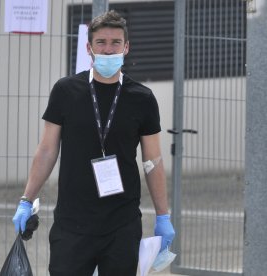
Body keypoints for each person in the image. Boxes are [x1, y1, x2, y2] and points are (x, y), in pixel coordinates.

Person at [12, 10, 175, 276]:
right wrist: (26, 200)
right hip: (72, 224)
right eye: (101, 42)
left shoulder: (142, 98)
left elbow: (152, 162)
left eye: (115, 43)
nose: (108, 50)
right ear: (89, 47)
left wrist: (163, 216)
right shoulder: (65, 91)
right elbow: (47, 150)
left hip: (122, 224)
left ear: (126, 47)